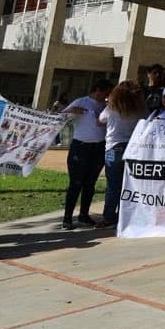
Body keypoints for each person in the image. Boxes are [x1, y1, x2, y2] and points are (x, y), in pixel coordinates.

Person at [61, 79, 113, 229]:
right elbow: (61, 116)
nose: (106, 96)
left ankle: (84, 215)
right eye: (105, 93)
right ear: (97, 89)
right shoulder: (82, 101)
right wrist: (72, 111)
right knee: (75, 183)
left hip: (99, 147)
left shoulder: (106, 105)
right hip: (81, 147)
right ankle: (67, 218)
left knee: (90, 183)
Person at [97, 80, 144, 227]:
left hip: (113, 149)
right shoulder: (137, 110)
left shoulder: (110, 109)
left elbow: (100, 121)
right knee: (129, 184)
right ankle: (127, 215)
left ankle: (109, 217)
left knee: (112, 185)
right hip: (131, 149)